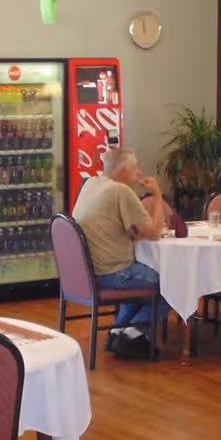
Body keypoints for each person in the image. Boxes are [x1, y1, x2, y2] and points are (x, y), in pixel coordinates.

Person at [70, 147, 170, 358]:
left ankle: (117, 332)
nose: (139, 172)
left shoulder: (90, 184)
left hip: (87, 274)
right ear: (123, 170)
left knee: (143, 280)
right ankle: (134, 334)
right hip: (113, 273)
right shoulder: (121, 191)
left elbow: (122, 227)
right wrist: (158, 195)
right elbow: (153, 233)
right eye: (135, 167)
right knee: (174, 283)